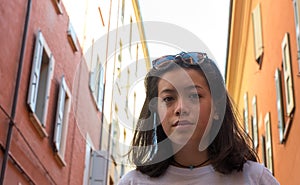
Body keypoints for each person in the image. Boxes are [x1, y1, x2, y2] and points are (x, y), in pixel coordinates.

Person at [118, 52, 279, 185]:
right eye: (168, 99)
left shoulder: (254, 178)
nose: (180, 108)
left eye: (194, 95)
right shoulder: (133, 182)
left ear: (217, 107)